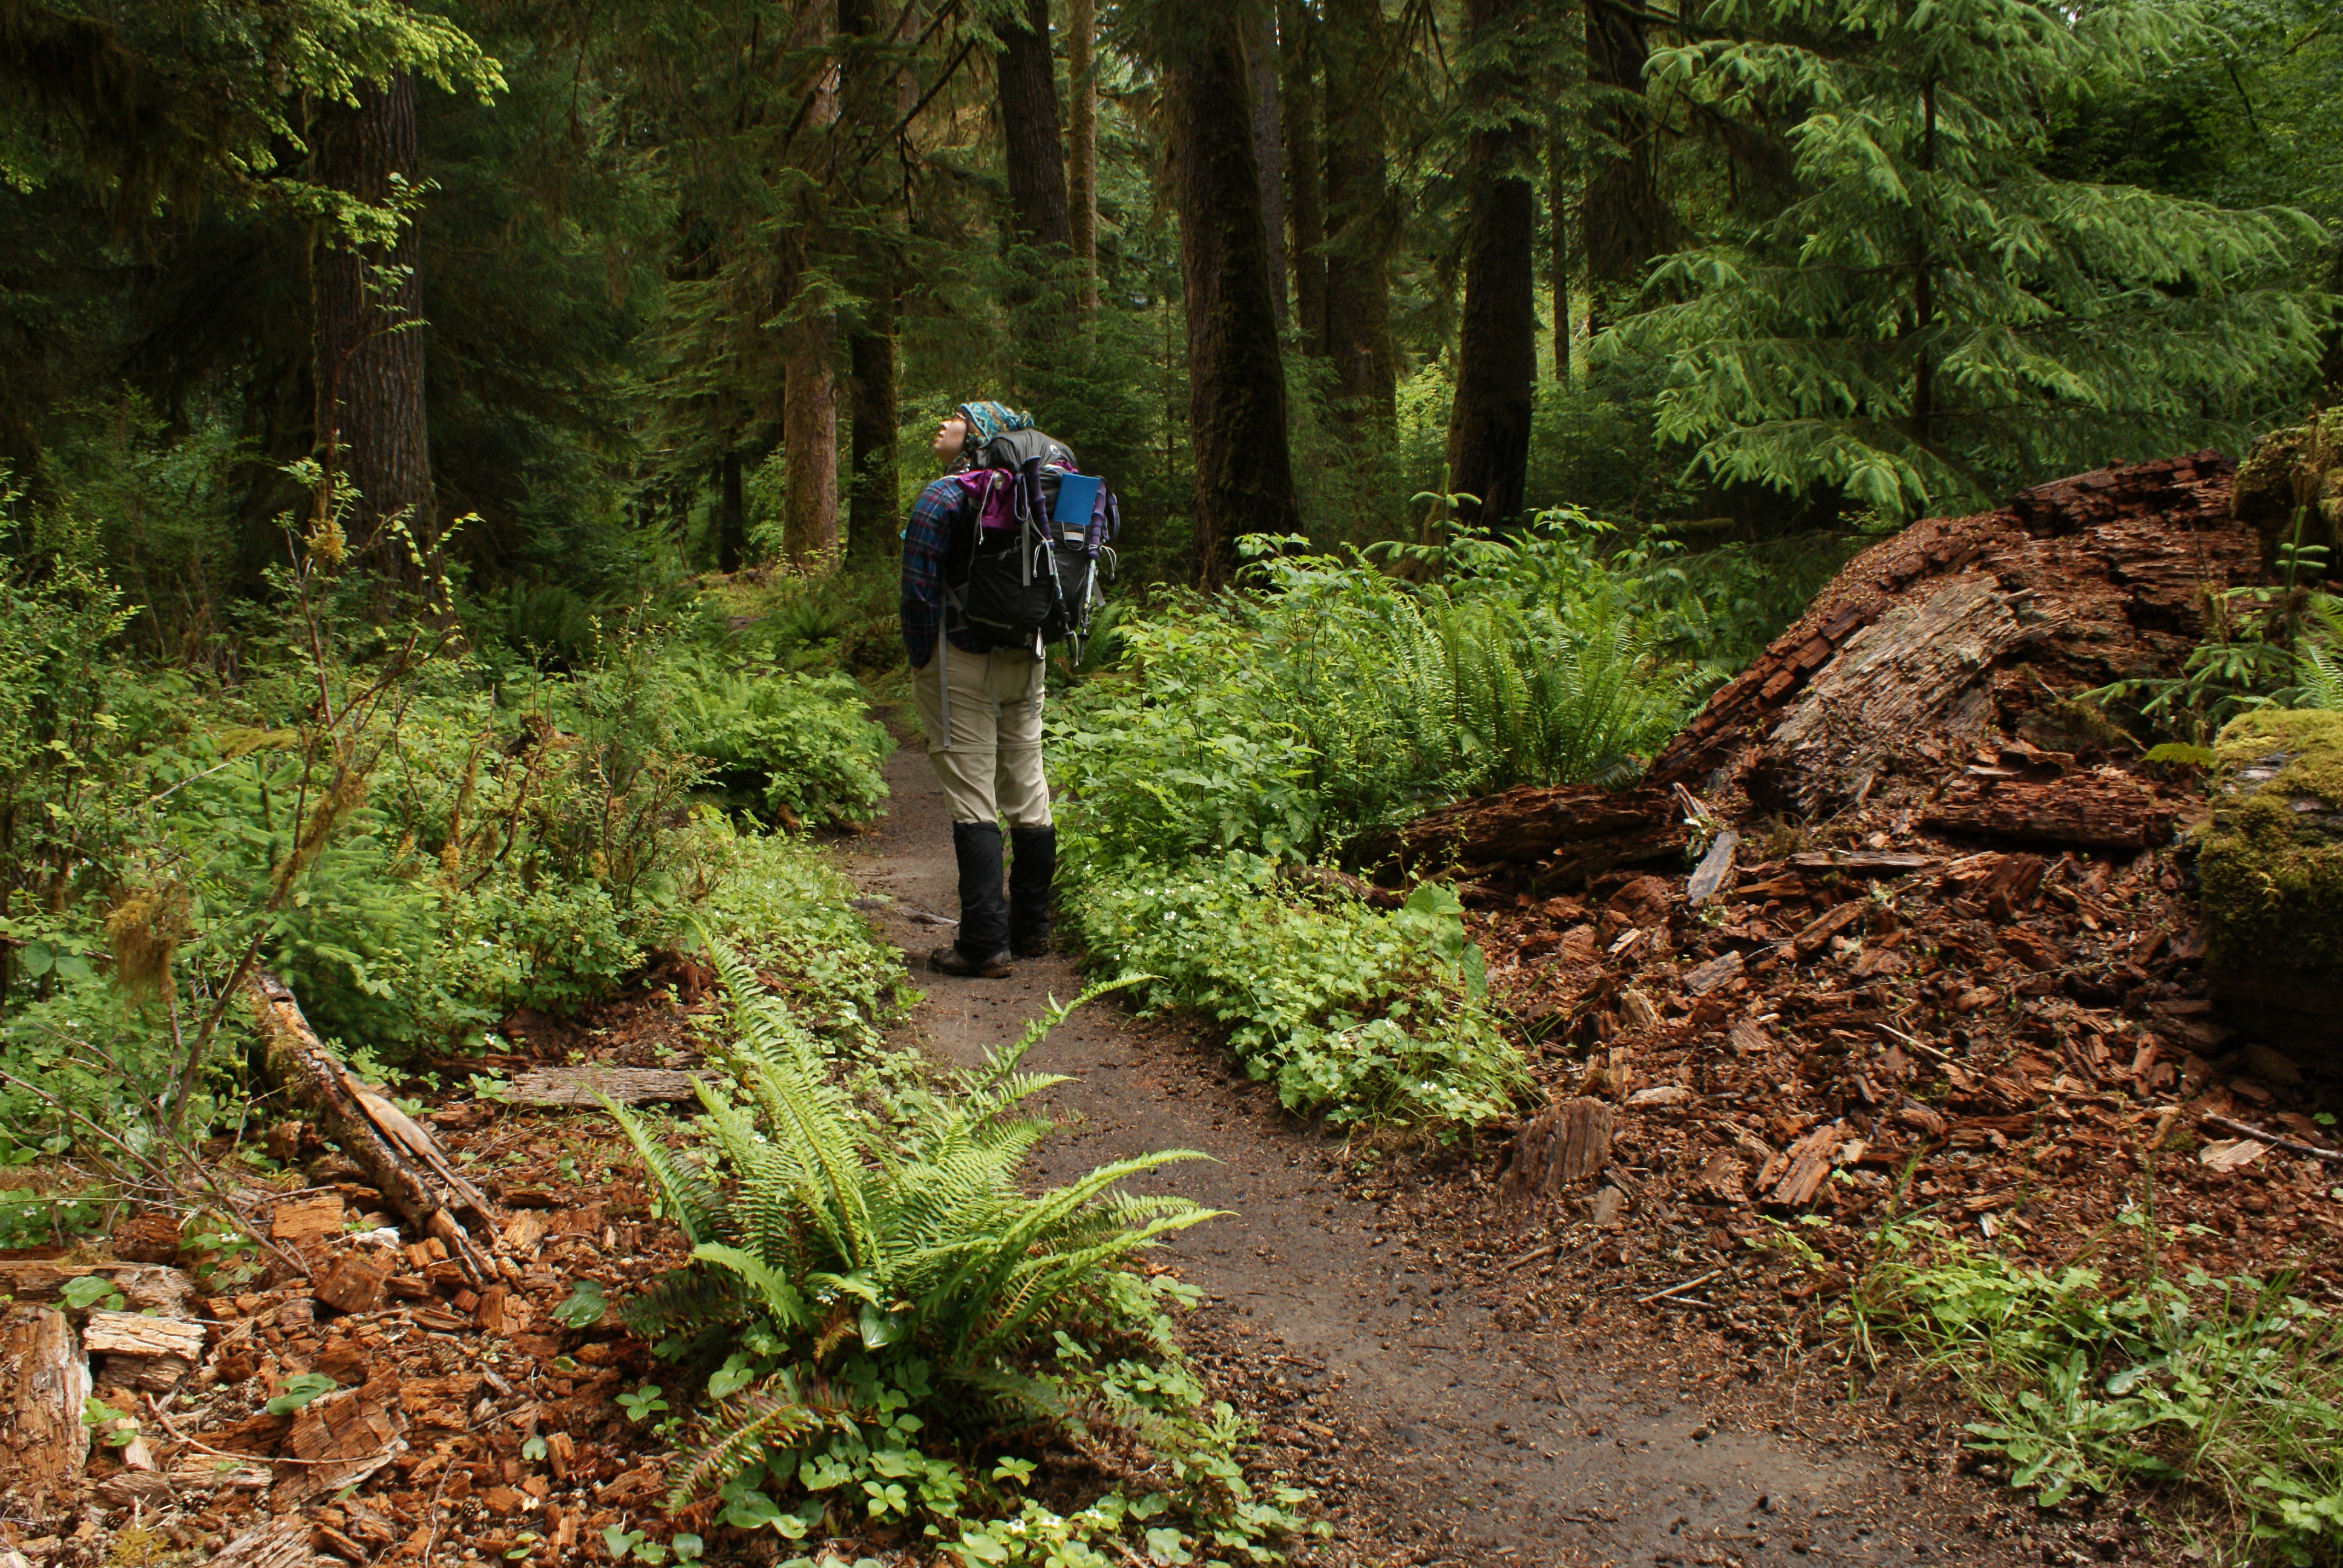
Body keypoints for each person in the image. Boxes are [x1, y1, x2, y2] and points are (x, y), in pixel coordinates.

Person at [899, 400, 1057, 977]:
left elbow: (917, 592)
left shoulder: (946, 495)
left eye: (958, 418)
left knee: (973, 796)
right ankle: (1032, 931)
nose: (943, 424)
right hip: (1029, 656)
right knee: (1028, 787)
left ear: (980, 436)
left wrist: (924, 660)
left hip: (961, 657)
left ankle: (984, 943)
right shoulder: (1041, 492)